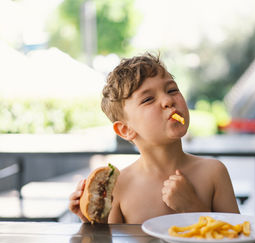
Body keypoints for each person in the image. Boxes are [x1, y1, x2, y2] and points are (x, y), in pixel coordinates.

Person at [69, 53, 240, 223]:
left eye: (172, 90)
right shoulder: (118, 187)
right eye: (148, 99)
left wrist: (193, 207)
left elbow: (236, 239)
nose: (168, 100)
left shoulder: (214, 173)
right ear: (125, 129)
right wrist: (93, 224)